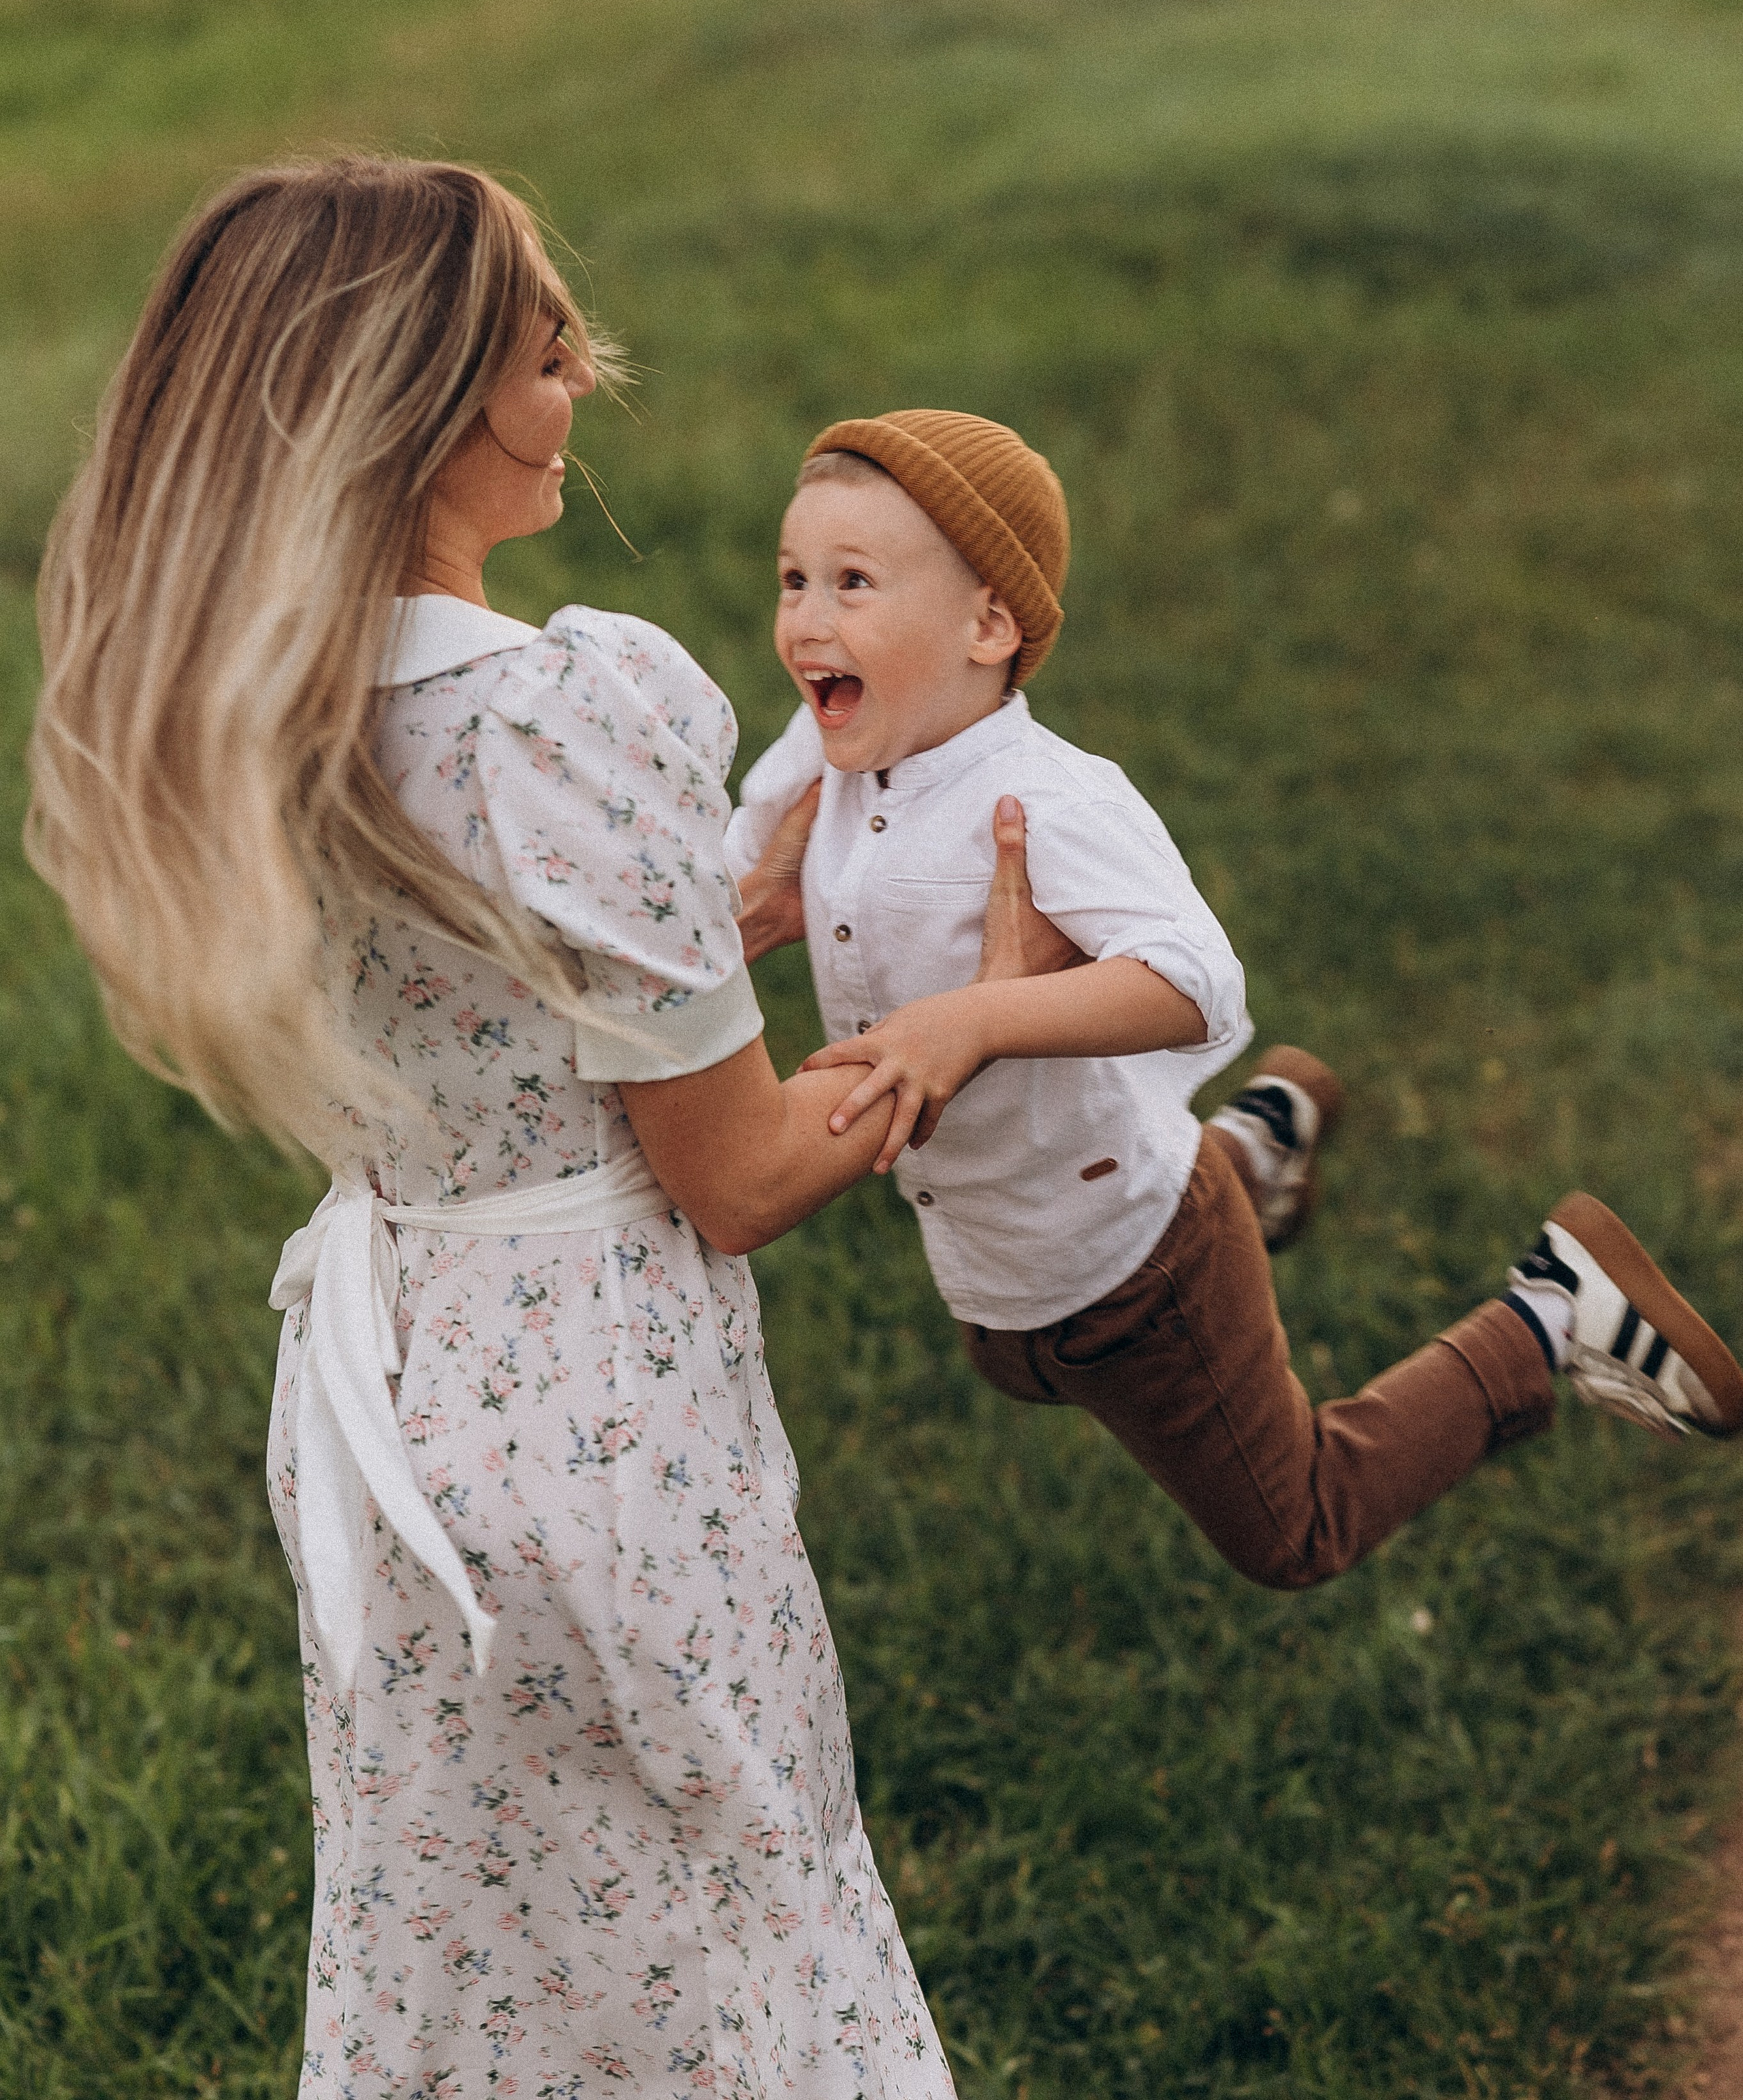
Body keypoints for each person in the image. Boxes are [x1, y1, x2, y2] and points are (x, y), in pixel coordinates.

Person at [25, 159, 1014, 2098]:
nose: (583, 377)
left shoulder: (256, 721)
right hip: (604, 1403)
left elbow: (482, 1004)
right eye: (543, 345)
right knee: (731, 1895)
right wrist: (956, 1033)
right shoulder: (559, 714)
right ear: (416, 401)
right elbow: (727, 1179)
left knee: (480, 1932)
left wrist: (713, 929)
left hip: (399, 1385)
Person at [724, 407, 1743, 1594]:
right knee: (1014, 1360)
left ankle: (1548, 1315)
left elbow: (1199, 981)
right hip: (1005, 1254)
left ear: (990, 624)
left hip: (1136, 1261)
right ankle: (1254, 1151)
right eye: (794, 577)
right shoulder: (826, 744)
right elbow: (735, 865)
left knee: (1294, 1525)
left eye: (855, 582)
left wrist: (976, 1019)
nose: (806, 619)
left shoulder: (1048, 801)